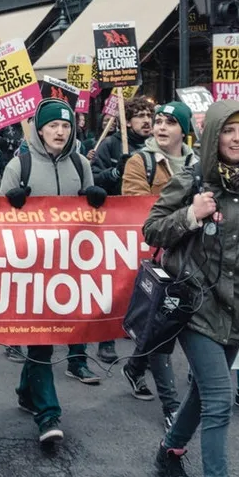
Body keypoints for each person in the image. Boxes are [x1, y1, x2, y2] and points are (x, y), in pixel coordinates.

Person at [143, 101, 239, 477]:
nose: (238, 138)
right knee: (219, 400)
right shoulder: (192, 180)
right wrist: (190, 215)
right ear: (214, 136)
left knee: (202, 394)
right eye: (229, 131)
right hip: (195, 307)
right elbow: (152, 230)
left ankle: (169, 451)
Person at [0, 98, 106, 445]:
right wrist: (11, 201)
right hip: (30, 268)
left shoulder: (80, 163)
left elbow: (94, 221)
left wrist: (96, 200)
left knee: (45, 339)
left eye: (66, 125)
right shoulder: (21, 165)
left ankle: (26, 390)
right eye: (53, 126)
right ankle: (48, 415)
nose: (60, 131)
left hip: (67, 269)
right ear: (40, 129)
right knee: (42, 341)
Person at [119, 101, 195, 430]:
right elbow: (138, 205)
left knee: (171, 327)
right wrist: (191, 211)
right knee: (163, 330)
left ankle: (135, 367)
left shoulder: (202, 163)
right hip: (162, 255)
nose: (161, 127)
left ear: (184, 130)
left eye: (170, 122)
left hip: (199, 262)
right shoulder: (142, 161)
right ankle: (172, 406)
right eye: (158, 121)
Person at [90, 95, 155, 363]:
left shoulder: (156, 147)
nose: (147, 121)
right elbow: (93, 181)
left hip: (146, 223)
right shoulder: (111, 145)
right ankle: (106, 339)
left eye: (149, 116)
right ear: (127, 122)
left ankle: (141, 338)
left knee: (144, 282)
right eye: (140, 116)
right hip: (115, 223)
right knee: (113, 281)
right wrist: (116, 173)